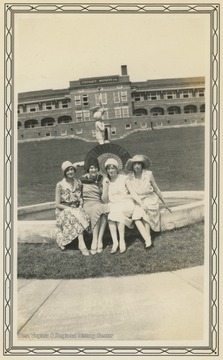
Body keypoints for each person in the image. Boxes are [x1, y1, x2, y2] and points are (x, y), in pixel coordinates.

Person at [125, 155, 171, 249]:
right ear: (132, 166)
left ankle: (147, 241)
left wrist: (165, 203)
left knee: (145, 214)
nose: (137, 166)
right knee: (136, 218)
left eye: (139, 164)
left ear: (142, 165)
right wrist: (141, 204)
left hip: (150, 199)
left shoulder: (148, 174)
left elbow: (156, 189)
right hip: (138, 200)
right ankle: (148, 238)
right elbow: (133, 194)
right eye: (135, 164)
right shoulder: (129, 178)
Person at [55, 161, 91, 255]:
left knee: (84, 215)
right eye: (67, 171)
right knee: (73, 218)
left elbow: (81, 198)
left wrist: (80, 204)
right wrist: (70, 209)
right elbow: (57, 204)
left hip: (76, 208)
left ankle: (81, 241)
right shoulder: (60, 185)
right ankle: (82, 244)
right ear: (64, 173)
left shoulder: (78, 183)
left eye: (71, 169)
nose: (70, 172)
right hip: (64, 209)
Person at [102, 158, 135, 254]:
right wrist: (105, 187)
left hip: (126, 203)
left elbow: (132, 193)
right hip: (114, 205)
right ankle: (115, 242)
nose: (111, 170)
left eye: (113, 168)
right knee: (112, 214)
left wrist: (140, 203)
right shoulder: (107, 181)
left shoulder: (124, 178)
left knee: (117, 212)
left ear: (117, 169)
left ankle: (121, 240)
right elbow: (104, 200)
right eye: (108, 168)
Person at [80, 158, 109, 254]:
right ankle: (95, 240)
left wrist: (104, 186)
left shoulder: (102, 179)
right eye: (91, 168)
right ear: (88, 169)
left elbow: (104, 200)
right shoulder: (83, 180)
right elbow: (79, 195)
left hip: (98, 203)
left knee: (104, 210)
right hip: (87, 205)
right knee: (99, 210)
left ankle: (99, 240)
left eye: (96, 167)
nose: (94, 170)